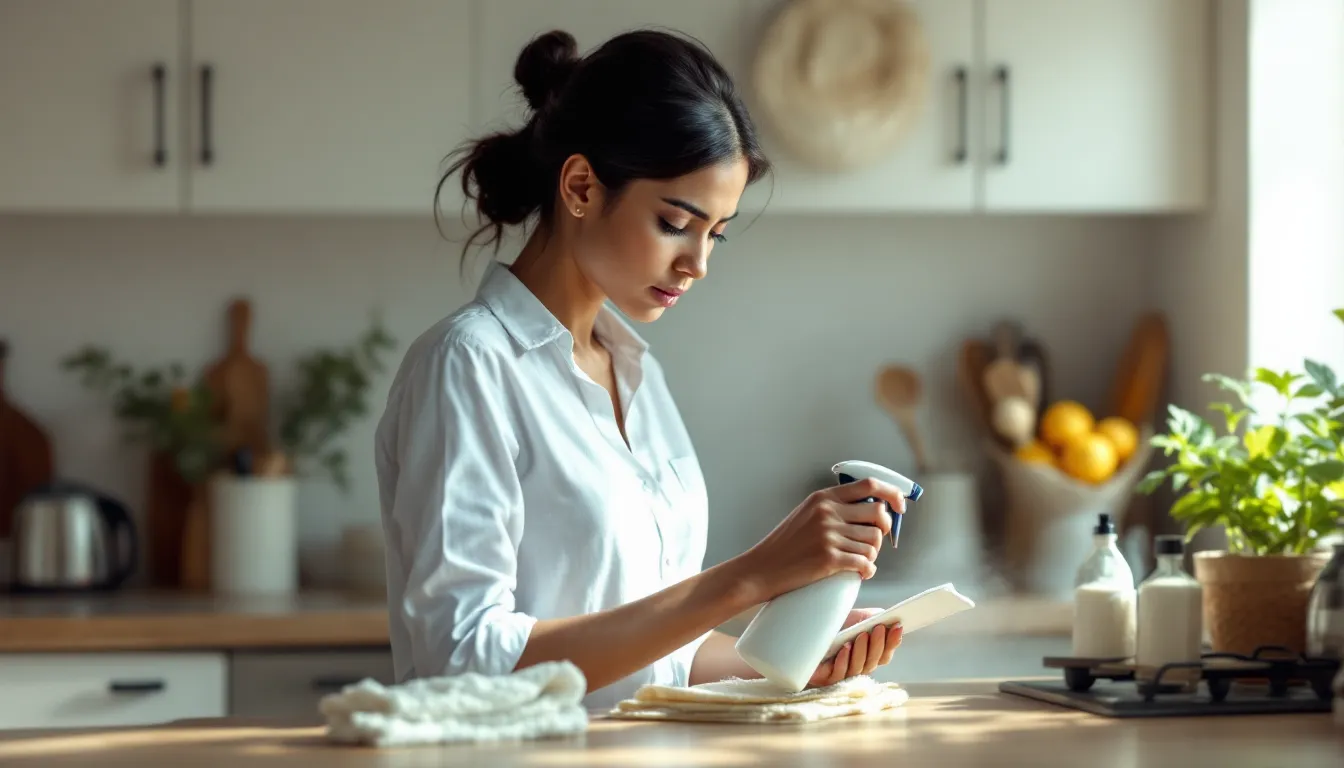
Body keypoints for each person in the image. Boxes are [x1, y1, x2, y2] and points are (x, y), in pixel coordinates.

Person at [374, 28, 907, 712]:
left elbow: (663, 662)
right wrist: (750, 577)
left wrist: (797, 659)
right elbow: (463, 663)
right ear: (580, 187)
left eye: (714, 232)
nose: (698, 263)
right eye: (674, 222)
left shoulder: (635, 373)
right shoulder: (468, 366)